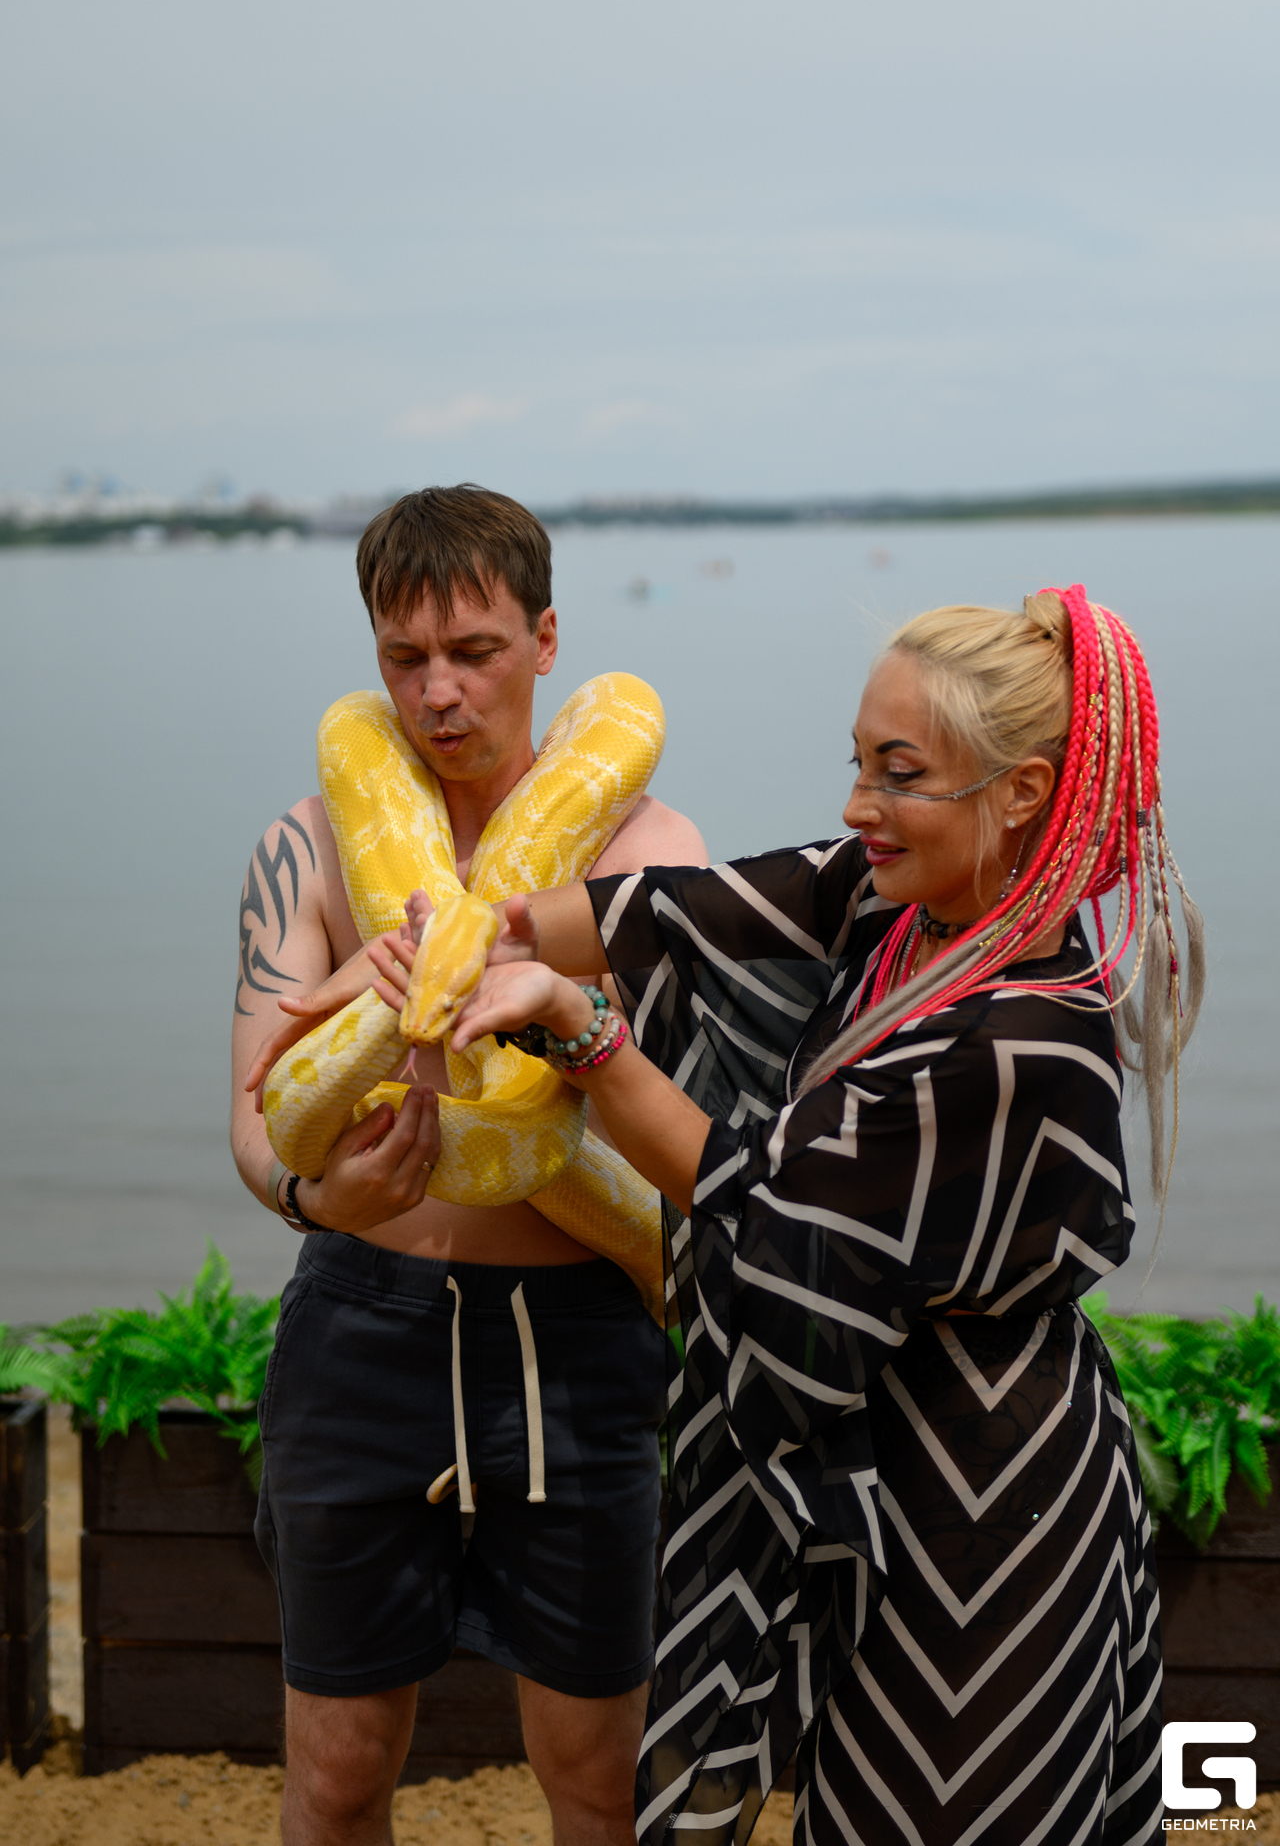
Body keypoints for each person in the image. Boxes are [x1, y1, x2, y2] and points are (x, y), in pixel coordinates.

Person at [372, 585, 1201, 1846]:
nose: (857, 806)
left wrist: (581, 1030)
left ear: (1020, 793)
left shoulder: (1019, 1037)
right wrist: (489, 929)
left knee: (943, 1803)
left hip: (979, 1486)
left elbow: (761, 1201)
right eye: (856, 763)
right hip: (857, 1450)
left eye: (898, 774)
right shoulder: (909, 906)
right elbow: (690, 909)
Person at [230, 485, 707, 1846]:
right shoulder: (306, 846)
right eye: (406, 658)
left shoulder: (646, 854)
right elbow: (257, 1122)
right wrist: (314, 1196)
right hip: (360, 1325)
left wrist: (530, 1003)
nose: (439, 692)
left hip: (576, 1335)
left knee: (596, 1776)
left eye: (475, 652)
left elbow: (688, 1148)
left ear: (545, 642)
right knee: (335, 1774)